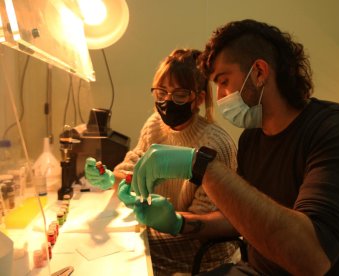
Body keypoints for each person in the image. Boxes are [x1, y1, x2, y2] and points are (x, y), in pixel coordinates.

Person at [125, 19, 339, 275]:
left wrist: (203, 166)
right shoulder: (251, 139)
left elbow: (313, 259)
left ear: (259, 72)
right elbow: (237, 220)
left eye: (224, 81)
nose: (221, 97)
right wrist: (180, 222)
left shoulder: (338, 130)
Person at [85, 48, 240, 275]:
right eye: (161, 92)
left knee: (118, 254)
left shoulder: (215, 144)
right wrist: (111, 177)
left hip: (203, 251)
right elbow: (133, 166)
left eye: (179, 94)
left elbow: (203, 225)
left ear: (198, 99)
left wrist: (167, 221)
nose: (167, 101)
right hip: (166, 229)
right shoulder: (155, 124)